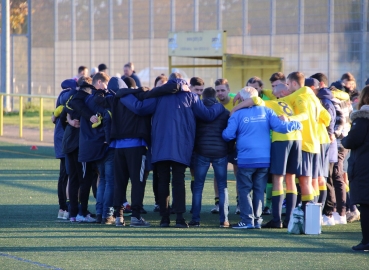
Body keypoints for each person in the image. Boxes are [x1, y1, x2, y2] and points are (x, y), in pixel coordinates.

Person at [119, 76, 225, 228]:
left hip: (160, 145)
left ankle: (164, 218)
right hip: (182, 146)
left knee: (163, 181)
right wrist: (219, 106)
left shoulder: (159, 96)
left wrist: (122, 94)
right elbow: (207, 115)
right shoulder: (191, 97)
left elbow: (139, 108)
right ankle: (180, 218)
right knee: (178, 181)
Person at [222, 86, 302, 229]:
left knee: (244, 189)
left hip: (246, 158)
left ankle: (247, 221)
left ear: (241, 99)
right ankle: (257, 220)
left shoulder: (237, 114)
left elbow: (228, 135)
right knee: (259, 189)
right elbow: (281, 128)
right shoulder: (267, 111)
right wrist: (296, 124)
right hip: (264, 158)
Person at [189, 87, 234, 228]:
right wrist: (228, 150)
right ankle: (224, 220)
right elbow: (230, 132)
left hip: (201, 152)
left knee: (198, 186)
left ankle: (195, 219)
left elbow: (192, 131)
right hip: (220, 152)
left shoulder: (197, 111)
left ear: (203, 96)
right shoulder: (225, 112)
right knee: (222, 187)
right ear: (215, 96)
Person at [341, 85, 369, 251]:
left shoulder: (362, 119)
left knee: (365, 205)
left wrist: (344, 140)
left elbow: (352, 141)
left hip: (364, 166)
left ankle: (366, 241)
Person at [214, 78, 239, 214]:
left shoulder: (237, 101)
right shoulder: (214, 103)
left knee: (238, 173)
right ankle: (218, 203)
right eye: (218, 91)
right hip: (220, 142)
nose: (220, 93)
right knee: (218, 174)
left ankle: (239, 203)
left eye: (223, 90)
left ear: (228, 91)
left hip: (235, 142)